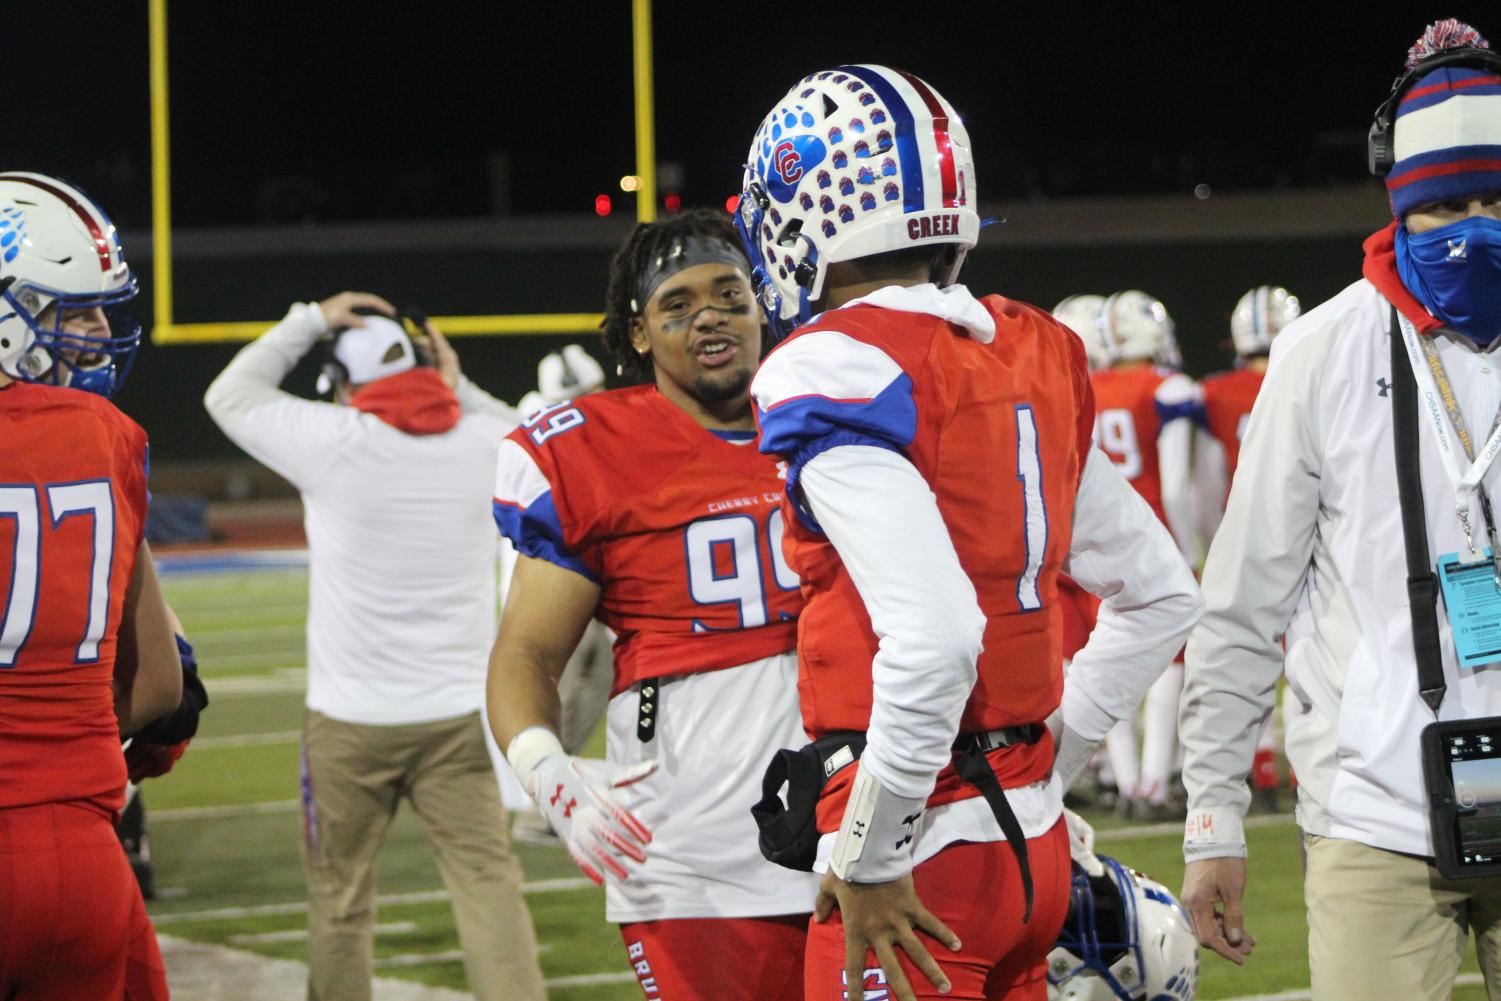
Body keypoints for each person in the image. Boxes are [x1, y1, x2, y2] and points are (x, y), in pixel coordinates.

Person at [739, 65, 1202, 1001]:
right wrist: (1047, 761)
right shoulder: (1026, 345)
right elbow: (1162, 593)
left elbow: (938, 635)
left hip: (925, 860)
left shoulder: (833, 361)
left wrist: (872, 849)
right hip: (1027, 845)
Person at [1179, 20, 1501, 999]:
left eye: (1497, 197)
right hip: (1375, 813)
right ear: (1397, 196)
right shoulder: (1322, 351)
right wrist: (1213, 819)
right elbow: (1241, 600)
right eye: (1447, 202)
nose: (1477, 226)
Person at [488, 208, 818, 998]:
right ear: (637, 334)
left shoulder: (830, 413)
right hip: (692, 840)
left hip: (863, 820)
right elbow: (525, 653)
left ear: (762, 303)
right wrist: (551, 777)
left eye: (728, 294)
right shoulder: (591, 450)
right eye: (677, 304)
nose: (708, 314)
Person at [203, 295, 545, 1001]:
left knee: (339, 902)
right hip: (460, 718)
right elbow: (542, 435)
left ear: (342, 379)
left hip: (348, 722)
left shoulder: (331, 437)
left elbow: (228, 393)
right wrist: (456, 381)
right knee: (488, 889)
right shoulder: (484, 440)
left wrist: (309, 318)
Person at [0, 171, 182, 1000]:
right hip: (81, 850)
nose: (99, 331)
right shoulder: (110, 438)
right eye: (72, 309)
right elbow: (162, 687)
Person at [1091, 290, 1201, 821]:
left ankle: (1127, 782)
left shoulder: (1086, 387)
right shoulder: (1168, 387)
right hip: (1154, 534)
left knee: (1109, 659)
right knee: (1169, 665)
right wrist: (1190, 546)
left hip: (1099, 539)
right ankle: (1156, 783)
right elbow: (1178, 486)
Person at [1194, 285, 1300, 814]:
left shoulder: (1215, 392)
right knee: (1308, 652)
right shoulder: (1310, 368)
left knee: (1244, 657)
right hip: (1308, 532)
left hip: (1245, 535)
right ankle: (1304, 767)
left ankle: (1257, 770)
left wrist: (1215, 541)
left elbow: (1209, 478)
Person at [503, 344, 615, 846]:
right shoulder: (538, 431)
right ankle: (537, 803)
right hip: (546, 583)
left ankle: (554, 793)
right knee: (554, 690)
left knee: (599, 682)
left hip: (590, 576)